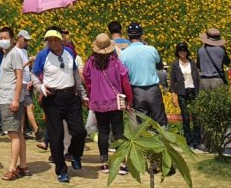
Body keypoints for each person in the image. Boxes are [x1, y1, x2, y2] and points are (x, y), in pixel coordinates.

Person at [32, 29, 86, 183]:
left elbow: (75, 73)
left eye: (55, 39)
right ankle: (61, 170)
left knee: (79, 131)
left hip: (71, 96)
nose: (52, 43)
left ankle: (75, 154)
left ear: (61, 40)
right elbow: (34, 74)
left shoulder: (70, 52)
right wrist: (41, 87)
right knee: (56, 137)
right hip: (53, 99)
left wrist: (82, 94)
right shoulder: (43, 55)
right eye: (49, 40)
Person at [83, 34, 133, 175]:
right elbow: (125, 81)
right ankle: (122, 164)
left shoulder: (91, 62)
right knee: (118, 132)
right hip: (115, 102)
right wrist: (129, 99)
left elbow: (87, 80)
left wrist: (91, 94)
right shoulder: (115, 61)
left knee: (103, 132)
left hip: (98, 102)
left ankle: (104, 164)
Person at [0, 27, 31, 181]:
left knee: (13, 134)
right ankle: (23, 165)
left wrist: (16, 99)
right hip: (6, 97)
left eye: (5, 37)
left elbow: (19, 78)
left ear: (12, 39)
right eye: (0, 37)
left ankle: (12, 168)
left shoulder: (14, 54)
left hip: (10, 98)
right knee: (18, 132)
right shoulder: (7, 55)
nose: (2, 40)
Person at [119, 22, 165, 124]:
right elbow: (159, 65)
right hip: (153, 90)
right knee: (160, 122)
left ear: (128, 36)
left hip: (137, 91)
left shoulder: (123, 54)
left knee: (143, 125)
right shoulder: (151, 49)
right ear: (142, 35)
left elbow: (123, 75)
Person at [169, 42, 202, 152]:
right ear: (177, 52)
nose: (182, 52)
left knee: (196, 116)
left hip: (193, 90)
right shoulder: (175, 64)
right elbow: (172, 81)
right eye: (180, 51)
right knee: (185, 117)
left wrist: (200, 92)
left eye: (184, 50)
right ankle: (189, 141)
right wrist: (173, 95)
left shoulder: (192, 62)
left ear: (187, 51)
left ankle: (197, 141)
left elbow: (197, 78)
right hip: (182, 92)